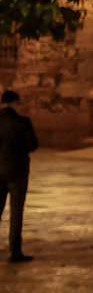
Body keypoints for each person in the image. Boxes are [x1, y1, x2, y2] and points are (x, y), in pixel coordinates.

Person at [0, 89, 38, 263]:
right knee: (16, 212)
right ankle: (15, 252)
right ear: (15, 103)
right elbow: (32, 145)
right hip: (17, 172)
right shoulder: (22, 122)